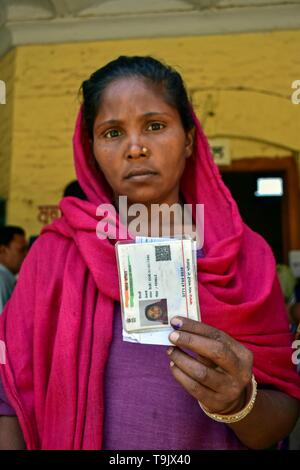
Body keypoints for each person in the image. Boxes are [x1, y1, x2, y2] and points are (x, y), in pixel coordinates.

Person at [0, 56, 299, 450]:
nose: (136, 147)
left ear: (190, 138)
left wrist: (239, 402)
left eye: (155, 126)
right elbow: (9, 398)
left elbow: (283, 412)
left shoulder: (247, 257)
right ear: (90, 149)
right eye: (112, 132)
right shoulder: (56, 253)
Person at [0, 226, 28, 313]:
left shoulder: (7, 278)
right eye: (21, 250)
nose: (26, 255)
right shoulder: (1, 280)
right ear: (3, 250)